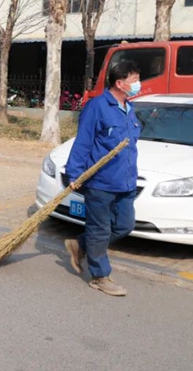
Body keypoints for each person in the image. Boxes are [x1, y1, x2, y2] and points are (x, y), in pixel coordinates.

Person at [64, 60, 141, 297]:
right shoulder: (97, 107)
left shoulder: (129, 108)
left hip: (125, 181)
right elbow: (83, 142)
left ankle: (80, 244)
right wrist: (74, 174)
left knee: (124, 225)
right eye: (134, 80)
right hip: (101, 182)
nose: (138, 84)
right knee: (99, 229)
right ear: (119, 83)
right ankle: (99, 276)